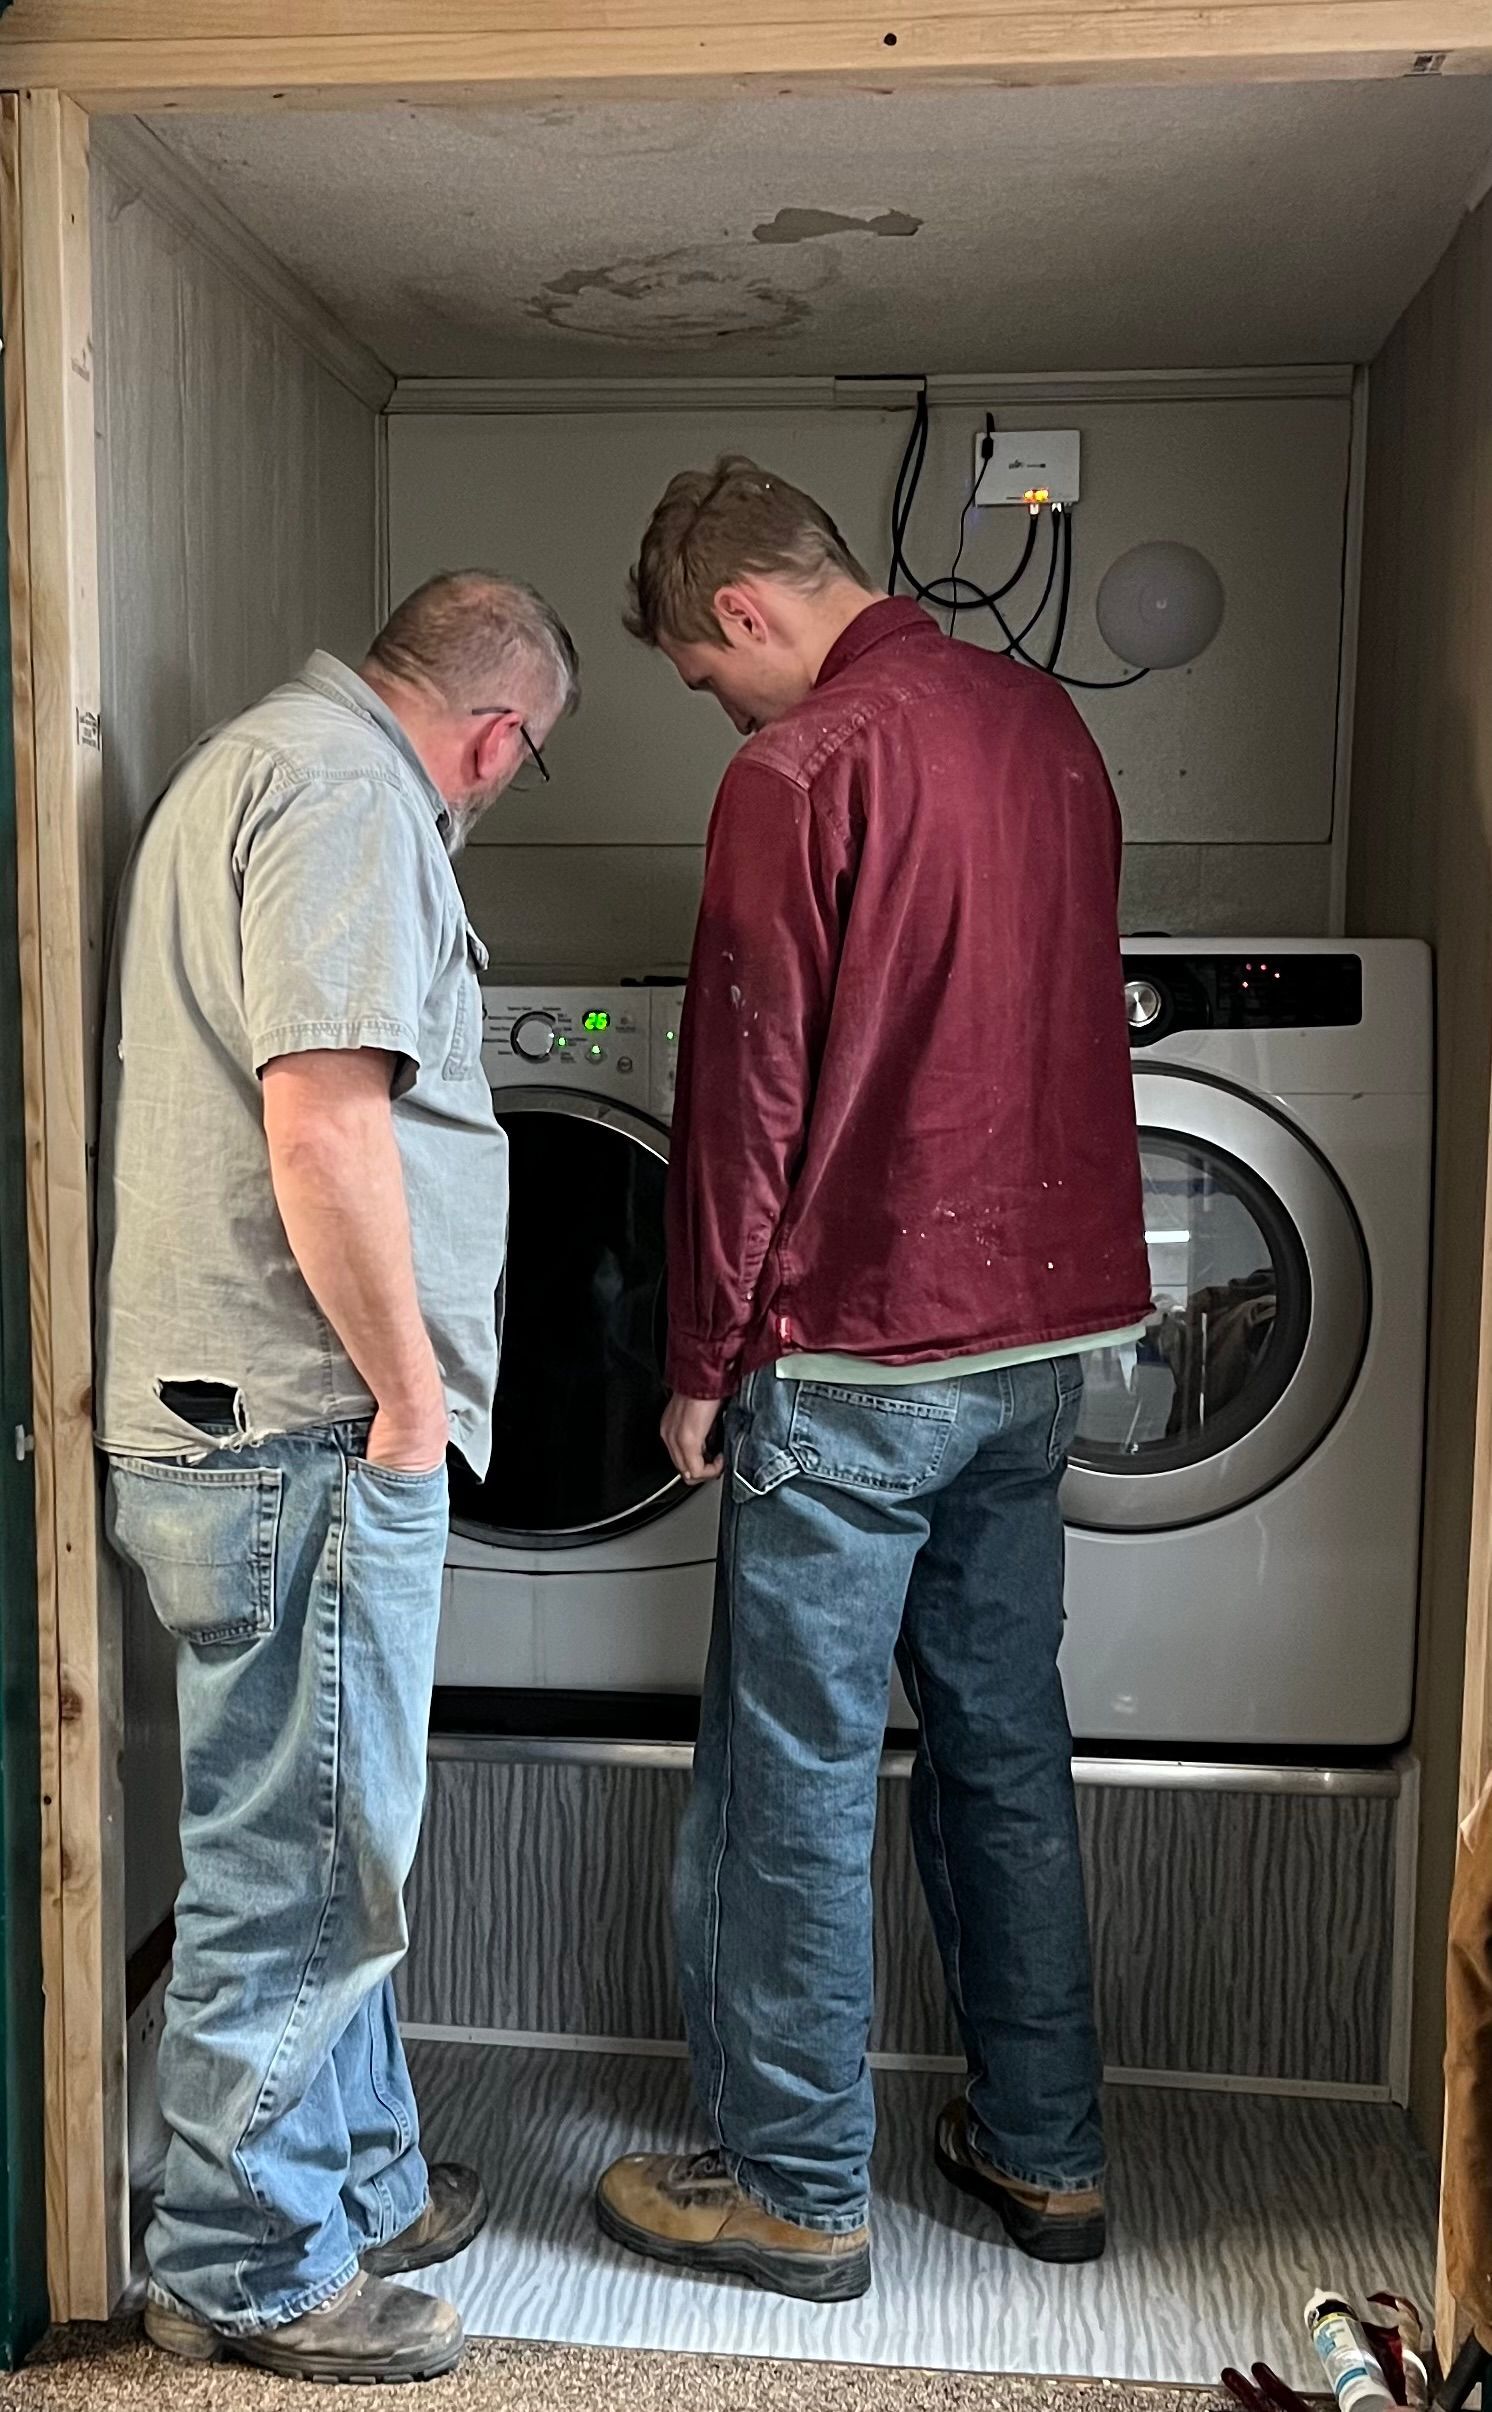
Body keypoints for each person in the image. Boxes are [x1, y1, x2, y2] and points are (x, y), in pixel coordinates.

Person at [596, 459, 1150, 2303]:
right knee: (1003, 1748)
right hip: (1039, 1339)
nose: (723, 710)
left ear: (743, 610)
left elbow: (747, 1090)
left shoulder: (802, 768)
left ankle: (793, 2190)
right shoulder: (1045, 725)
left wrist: (700, 1357)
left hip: (855, 1348)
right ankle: (1044, 2150)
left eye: (707, 676)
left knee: (795, 1777)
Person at [96, 574, 579, 2384]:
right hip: (301, 1417)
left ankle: (356, 2182)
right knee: (303, 1861)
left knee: (322, 1831)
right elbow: (322, 1121)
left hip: (248, 1413)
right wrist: (406, 1398)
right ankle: (245, 2263)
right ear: (499, 738)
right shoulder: (353, 798)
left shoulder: (265, 765)